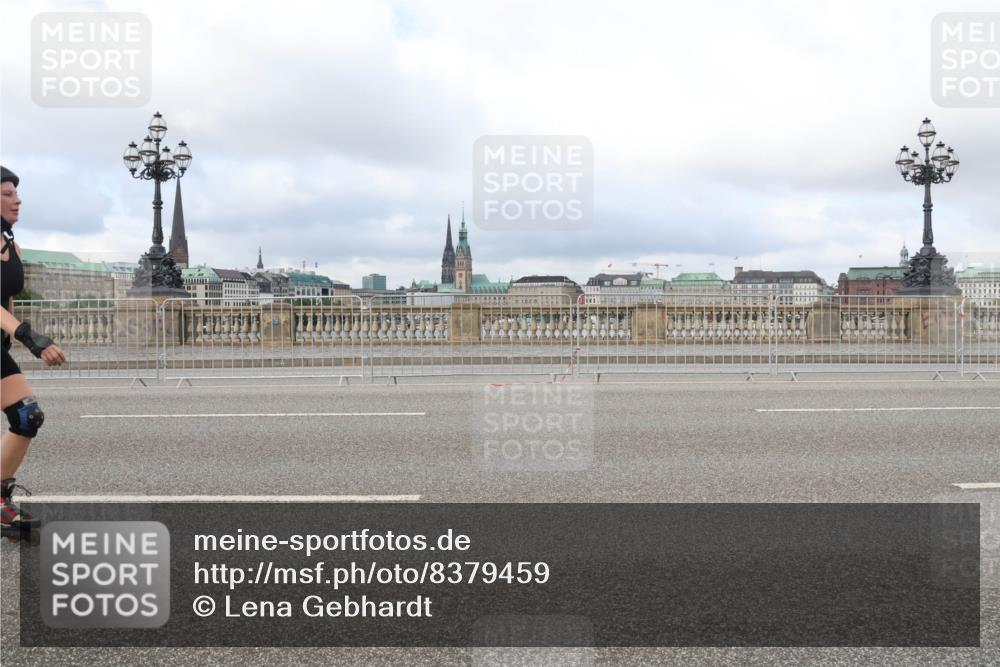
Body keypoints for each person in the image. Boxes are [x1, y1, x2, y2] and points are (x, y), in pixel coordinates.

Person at [1, 166, 66, 539]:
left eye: (16, 193)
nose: (17, 199)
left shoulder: (12, 247)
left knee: (27, 417)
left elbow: (5, 301)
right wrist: (29, 337)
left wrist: (12, 337)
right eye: (7, 193)